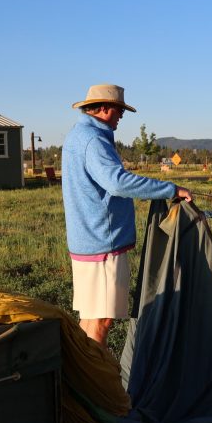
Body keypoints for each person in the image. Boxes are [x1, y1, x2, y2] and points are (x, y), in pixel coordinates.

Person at [62, 84, 193, 348]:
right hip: (102, 245)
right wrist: (170, 189)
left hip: (87, 241)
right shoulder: (93, 140)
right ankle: (96, 386)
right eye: (120, 111)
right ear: (106, 109)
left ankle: (78, 378)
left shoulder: (79, 135)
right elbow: (117, 182)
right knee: (101, 323)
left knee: (89, 320)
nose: (121, 116)